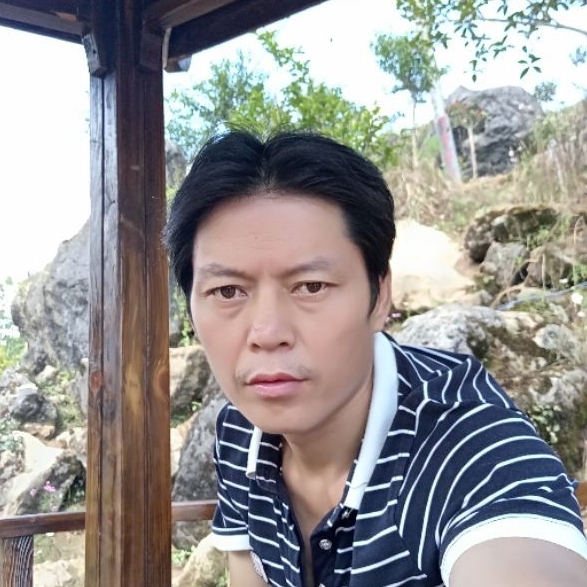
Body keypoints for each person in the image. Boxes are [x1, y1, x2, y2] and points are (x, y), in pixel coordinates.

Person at [164, 129, 587, 587]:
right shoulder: (241, 429)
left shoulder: (465, 447)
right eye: (228, 291)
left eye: (311, 286)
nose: (267, 334)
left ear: (380, 295)